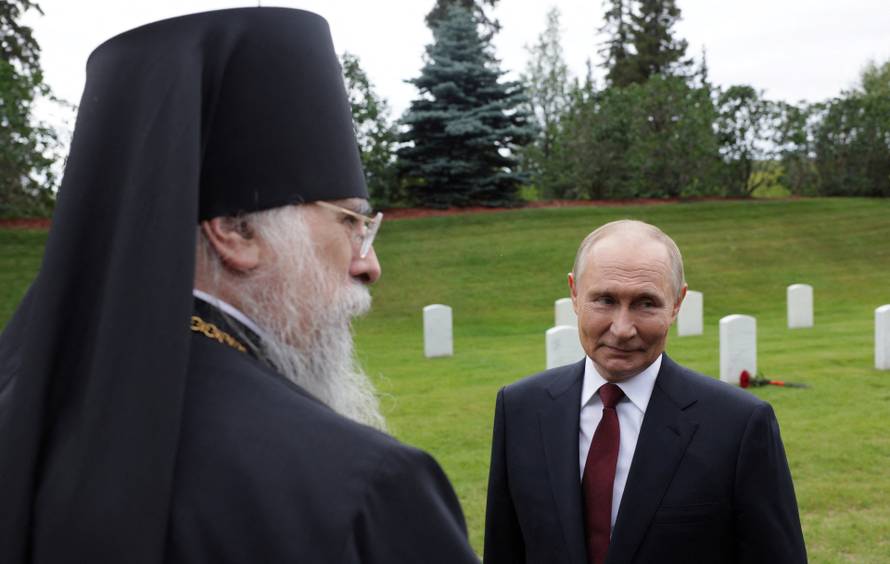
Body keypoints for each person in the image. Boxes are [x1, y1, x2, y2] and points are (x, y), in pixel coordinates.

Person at [0, 8, 479, 563]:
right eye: (350, 222)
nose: (368, 266)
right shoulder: (366, 485)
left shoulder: (25, 414)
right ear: (235, 229)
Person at [483, 220, 807, 564]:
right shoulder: (520, 409)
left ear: (677, 303)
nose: (622, 329)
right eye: (605, 300)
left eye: (646, 303)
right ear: (574, 294)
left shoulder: (738, 426)